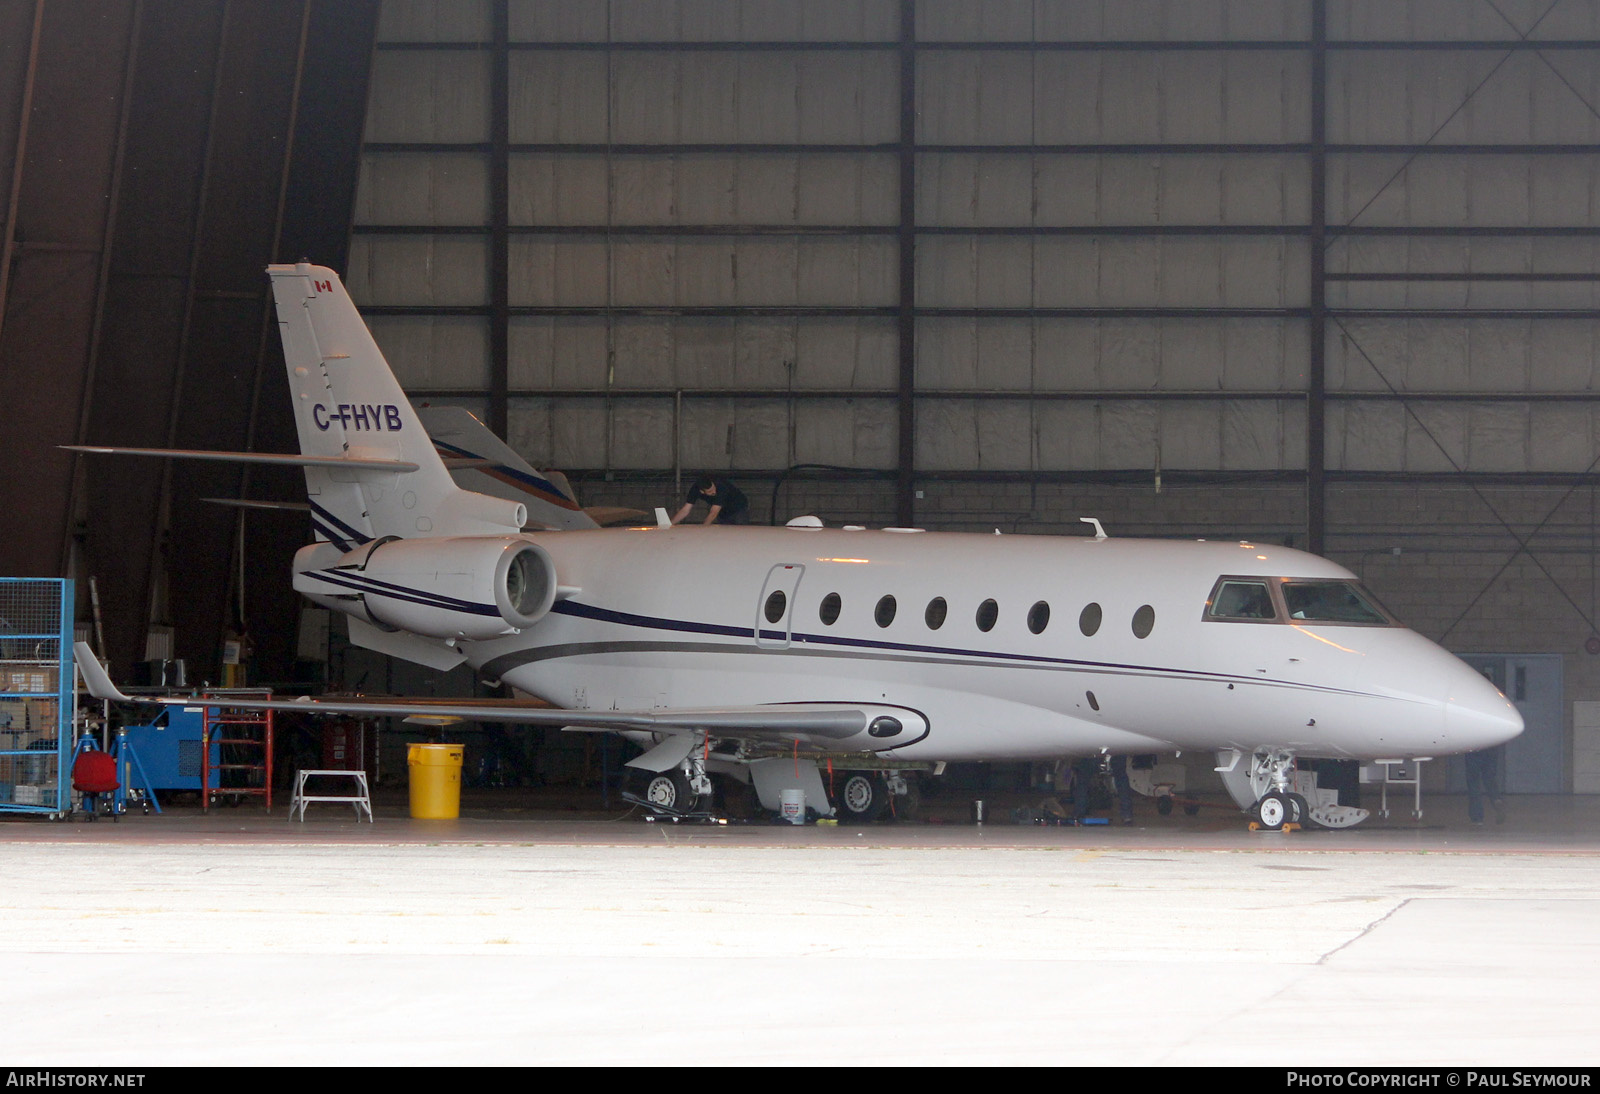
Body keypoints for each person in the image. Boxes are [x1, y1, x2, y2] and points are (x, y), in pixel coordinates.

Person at [671, 476, 750, 526]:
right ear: (701, 492)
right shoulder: (695, 490)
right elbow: (685, 510)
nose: (714, 492)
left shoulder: (721, 486)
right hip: (723, 511)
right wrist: (670, 524)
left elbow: (713, 512)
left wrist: (703, 528)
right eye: (710, 491)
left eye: (713, 488)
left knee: (739, 529)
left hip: (739, 507)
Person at [1465, 746, 1505, 826]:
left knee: (1474, 783)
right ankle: (1496, 799)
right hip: (1491, 748)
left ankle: (1477, 818)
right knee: (1489, 779)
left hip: (1474, 748)